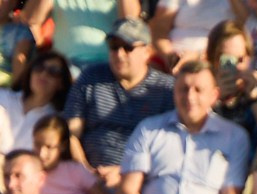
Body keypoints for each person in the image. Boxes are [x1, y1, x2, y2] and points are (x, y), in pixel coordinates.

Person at [108, 58, 254, 194]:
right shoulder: (149, 129)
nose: (189, 97)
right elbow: (127, 191)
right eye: (183, 89)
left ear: (214, 95)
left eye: (198, 90)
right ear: (174, 92)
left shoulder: (234, 137)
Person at [65, 18, 176, 183]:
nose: (119, 54)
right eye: (114, 47)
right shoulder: (91, 77)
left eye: (128, 47)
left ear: (147, 51)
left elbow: (170, 146)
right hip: (90, 180)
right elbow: (71, 134)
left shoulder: (166, 88)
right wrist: (86, 173)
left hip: (144, 180)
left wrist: (124, 173)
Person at [0, 49, 76, 160]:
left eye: (53, 71)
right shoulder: (3, 96)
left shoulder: (56, 119)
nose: (44, 74)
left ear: (61, 83)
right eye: (39, 68)